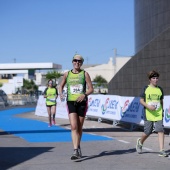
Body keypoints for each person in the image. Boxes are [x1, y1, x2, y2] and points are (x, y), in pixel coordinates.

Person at [59, 54, 93, 160]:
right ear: (72, 62)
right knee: (73, 126)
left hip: (82, 103)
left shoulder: (85, 74)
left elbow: (91, 89)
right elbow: (61, 85)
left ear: (82, 63)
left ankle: (78, 145)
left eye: (79, 61)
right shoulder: (67, 74)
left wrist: (84, 94)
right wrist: (60, 93)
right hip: (71, 102)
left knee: (79, 127)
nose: (77, 62)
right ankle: (75, 150)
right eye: (75, 60)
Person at [136, 70, 168, 157]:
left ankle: (162, 150)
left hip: (158, 113)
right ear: (150, 79)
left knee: (160, 130)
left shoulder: (160, 89)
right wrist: (148, 106)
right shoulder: (145, 88)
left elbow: (161, 101)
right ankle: (140, 142)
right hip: (148, 113)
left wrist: (162, 111)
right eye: (153, 78)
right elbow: (141, 100)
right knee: (148, 131)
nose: (155, 80)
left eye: (157, 78)